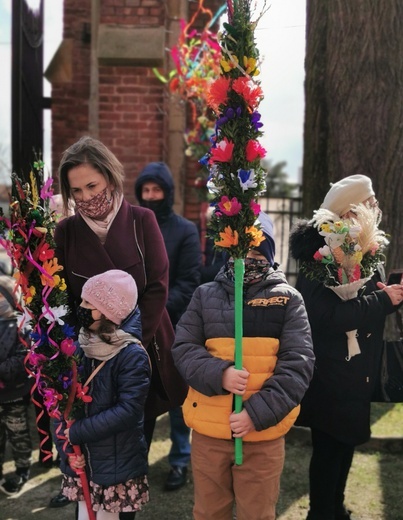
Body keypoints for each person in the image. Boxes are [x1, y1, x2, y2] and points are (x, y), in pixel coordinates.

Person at [54, 136, 187, 518]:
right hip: (89, 356)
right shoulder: (66, 232)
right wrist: (89, 337)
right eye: (76, 190)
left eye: (92, 186)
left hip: (139, 349)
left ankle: (124, 511)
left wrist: (126, 341)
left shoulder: (142, 220)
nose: (86, 196)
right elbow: (64, 296)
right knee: (93, 447)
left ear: (110, 178)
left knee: (131, 443)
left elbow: (158, 284)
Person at [172, 212, 315, 520]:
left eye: (257, 252)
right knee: (209, 512)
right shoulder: (204, 295)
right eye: (242, 252)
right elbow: (183, 348)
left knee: (257, 513)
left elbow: (298, 365)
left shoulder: (288, 300)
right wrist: (219, 373)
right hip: (210, 431)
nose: (248, 260)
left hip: (262, 436)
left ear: (269, 255)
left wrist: (255, 413)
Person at [289, 174, 403, 520]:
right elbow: (326, 316)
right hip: (330, 370)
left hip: (358, 370)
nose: (375, 209)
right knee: (328, 448)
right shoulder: (317, 258)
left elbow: (366, 304)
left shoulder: (366, 250)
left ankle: (335, 507)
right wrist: (382, 301)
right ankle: (321, 512)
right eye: (369, 204)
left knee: (346, 443)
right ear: (349, 211)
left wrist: (391, 295)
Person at [54, 269, 151, 519]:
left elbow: (128, 411)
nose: (82, 307)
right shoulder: (80, 344)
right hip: (82, 461)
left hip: (115, 467)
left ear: (110, 311)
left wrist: (78, 432)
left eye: (89, 303)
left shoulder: (131, 355)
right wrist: (67, 449)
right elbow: (61, 402)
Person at [134, 162, 202, 491]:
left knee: (177, 397)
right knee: (139, 398)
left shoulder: (185, 230)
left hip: (174, 326)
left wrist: (152, 310)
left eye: (156, 190)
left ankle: (179, 460)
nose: (150, 196)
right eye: (145, 191)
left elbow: (189, 281)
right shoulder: (131, 228)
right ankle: (136, 462)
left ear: (167, 192)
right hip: (135, 329)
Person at [0, 276, 33, 495]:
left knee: (18, 433)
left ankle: (22, 469)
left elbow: (23, 359)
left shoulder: (20, 326)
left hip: (14, 395)